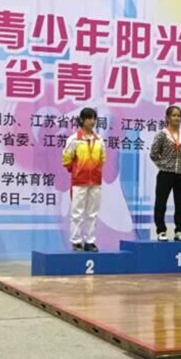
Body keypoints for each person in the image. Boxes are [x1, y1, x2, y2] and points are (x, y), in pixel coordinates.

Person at [62, 108, 106, 252]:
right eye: (89, 118)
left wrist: (94, 171)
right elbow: (66, 159)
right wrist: (78, 171)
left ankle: (90, 241)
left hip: (95, 182)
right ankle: (76, 241)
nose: (92, 121)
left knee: (92, 213)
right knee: (77, 213)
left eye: (94, 118)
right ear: (81, 120)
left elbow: (102, 159)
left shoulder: (99, 140)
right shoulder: (74, 139)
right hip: (79, 182)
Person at [150, 106, 181, 242]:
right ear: (167, 118)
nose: (177, 118)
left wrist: (180, 164)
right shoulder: (162, 134)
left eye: (179, 115)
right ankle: (161, 230)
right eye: (174, 115)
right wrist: (164, 165)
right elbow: (154, 153)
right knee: (161, 203)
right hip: (165, 174)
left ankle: (179, 230)